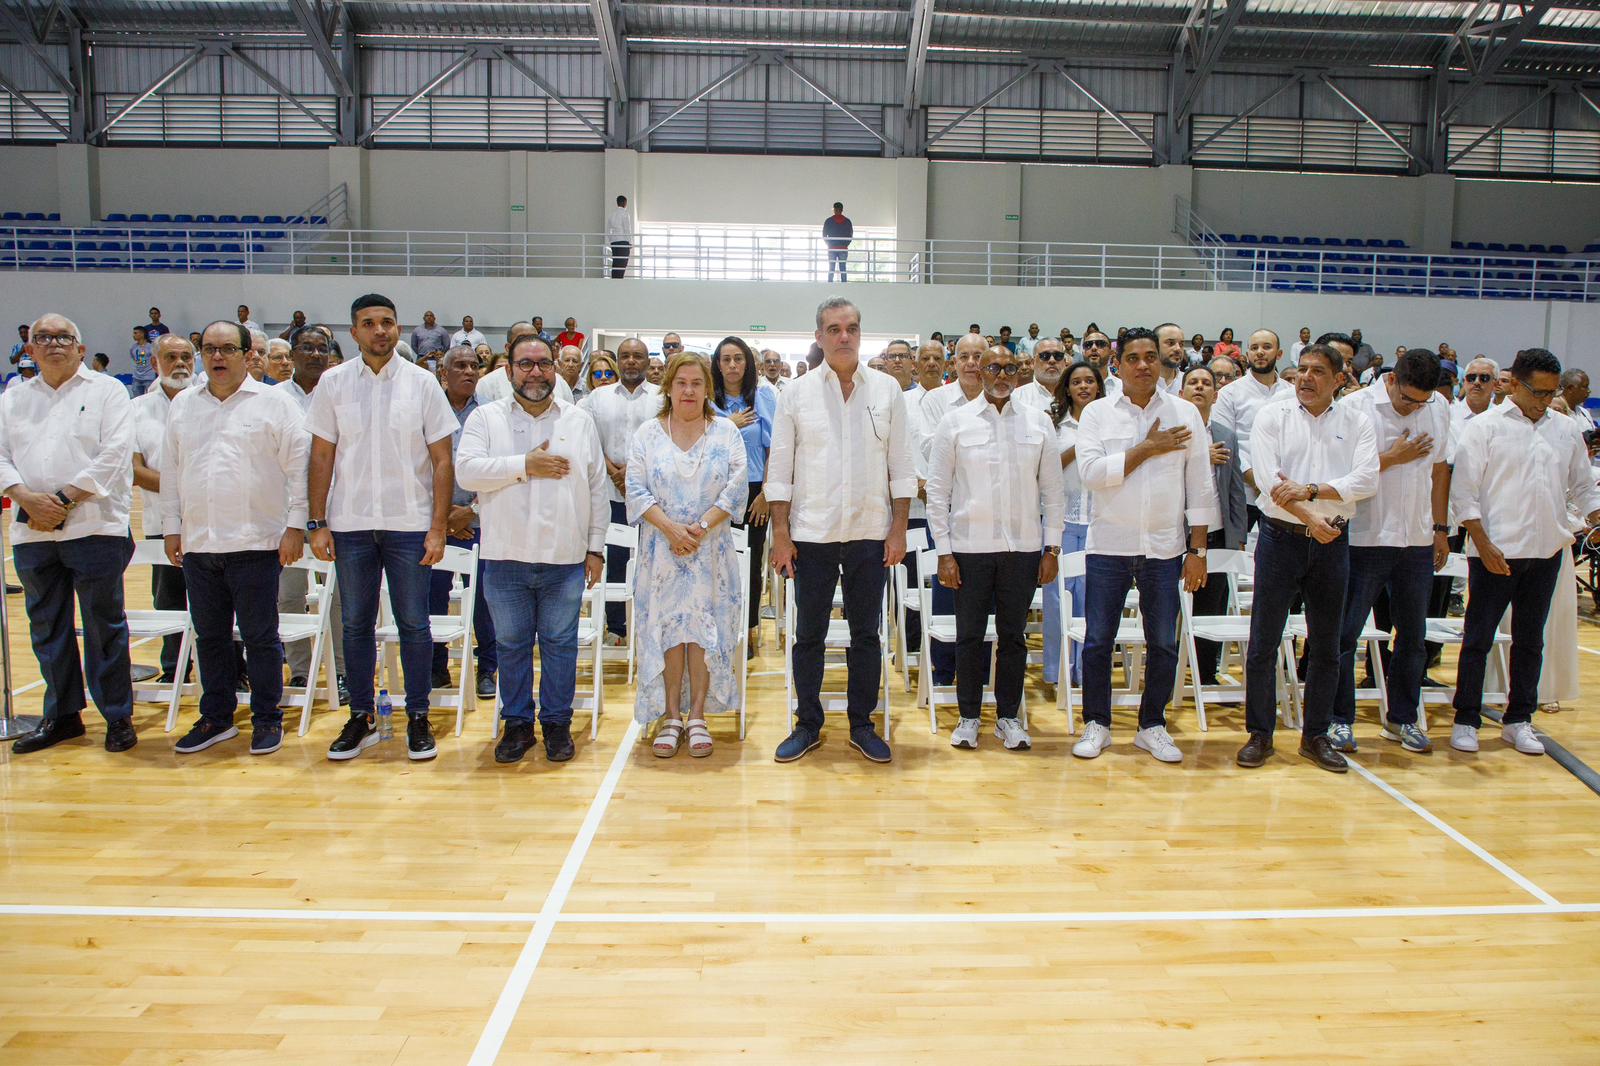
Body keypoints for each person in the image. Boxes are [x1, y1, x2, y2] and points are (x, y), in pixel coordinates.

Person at [307, 294, 458, 763]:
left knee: (414, 623)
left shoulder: (422, 383)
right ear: (354, 332)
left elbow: (442, 461)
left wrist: (437, 527)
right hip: (350, 524)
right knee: (355, 624)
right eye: (369, 323)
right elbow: (321, 456)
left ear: (397, 328)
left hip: (409, 524)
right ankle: (362, 715)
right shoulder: (333, 383)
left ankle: (418, 715)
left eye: (387, 322)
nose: (380, 330)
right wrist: (317, 522)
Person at [767, 297, 913, 764]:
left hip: (870, 532)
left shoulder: (887, 390)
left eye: (851, 327)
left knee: (866, 634)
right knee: (808, 635)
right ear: (819, 337)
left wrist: (898, 529)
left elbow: (901, 467)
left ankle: (862, 724)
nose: (844, 336)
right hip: (812, 533)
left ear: (860, 332)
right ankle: (807, 724)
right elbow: (780, 471)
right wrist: (782, 534)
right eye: (834, 329)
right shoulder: (796, 394)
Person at [457, 336, 607, 765]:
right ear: (508, 370)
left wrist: (595, 549)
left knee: (560, 644)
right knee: (511, 644)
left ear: (555, 368)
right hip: (505, 556)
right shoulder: (486, 419)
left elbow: (596, 488)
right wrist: (524, 465)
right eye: (525, 364)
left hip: (565, 557)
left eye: (543, 363)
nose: (535, 372)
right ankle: (517, 724)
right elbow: (467, 472)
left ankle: (557, 723)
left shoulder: (578, 421)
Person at [161, 321, 307, 757]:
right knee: (210, 637)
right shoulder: (184, 405)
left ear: (248, 355)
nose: (217, 357)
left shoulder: (274, 404)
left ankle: (266, 718)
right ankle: (217, 717)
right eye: (209, 349)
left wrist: (296, 526)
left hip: (256, 542)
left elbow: (298, 469)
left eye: (227, 349)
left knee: (261, 637)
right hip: (200, 543)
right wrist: (172, 527)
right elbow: (171, 471)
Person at [1073, 328, 1218, 764]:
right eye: (1133, 358)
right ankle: (1097, 724)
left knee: (1164, 644)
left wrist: (1198, 551)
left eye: (1150, 357)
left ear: (1161, 361)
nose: (1143, 365)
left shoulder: (1184, 413)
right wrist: (1148, 448)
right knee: (1099, 641)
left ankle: (1152, 725)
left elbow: (1201, 485)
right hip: (1109, 546)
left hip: (1165, 548)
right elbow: (1091, 474)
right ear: (1116, 365)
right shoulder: (1097, 413)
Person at [1450, 348, 1600, 756]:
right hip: (1495, 550)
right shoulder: (1485, 428)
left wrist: (1595, 516)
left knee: (1531, 641)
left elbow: (1582, 485)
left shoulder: (1564, 429)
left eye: (1552, 393)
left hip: (1546, 550)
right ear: (1514, 384)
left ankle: (1519, 719)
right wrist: (1482, 542)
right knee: (1478, 639)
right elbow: (1464, 493)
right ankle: (1466, 718)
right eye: (1538, 392)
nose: (1545, 401)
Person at [1236, 343, 1378, 773]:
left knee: (1327, 645)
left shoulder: (1357, 421)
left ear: (1340, 379)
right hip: (1281, 538)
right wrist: (1310, 515)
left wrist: (1311, 491)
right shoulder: (1272, 416)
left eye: (1318, 371)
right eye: (1302, 369)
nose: (1306, 378)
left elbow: (1367, 479)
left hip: (1333, 540)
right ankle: (1260, 734)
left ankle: (1316, 735)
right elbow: (1268, 480)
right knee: (1264, 641)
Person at [1, 313, 138, 756]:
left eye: (64, 337)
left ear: (80, 348)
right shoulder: (13, 398)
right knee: (47, 627)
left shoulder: (107, 391)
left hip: (94, 526)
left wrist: (59, 501)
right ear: (30, 350)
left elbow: (115, 455)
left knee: (104, 626)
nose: (54, 344)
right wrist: (26, 498)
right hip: (33, 531)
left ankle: (117, 715)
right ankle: (61, 716)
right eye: (44, 338)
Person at [926, 345, 1064, 751]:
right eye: (993, 368)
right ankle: (969, 717)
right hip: (969, 548)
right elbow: (938, 492)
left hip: (1023, 548)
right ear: (979, 371)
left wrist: (1052, 548)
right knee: (969, 636)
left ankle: (1008, 717)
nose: (1001, 375)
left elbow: (1053, 491)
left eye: (1009, 368)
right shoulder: (955, 422)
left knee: (1013, 637)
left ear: (1020, 372)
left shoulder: (1038, 422)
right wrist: (944, 552)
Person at [1331, 348, 1452, 756]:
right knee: (1346, 634)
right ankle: (1339, 718)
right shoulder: (1355, 408)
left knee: (1413, 637)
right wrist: (1392, 458)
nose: (1414, 407)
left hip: (1416, 538)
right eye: (1408, 399)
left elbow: (1440, 470)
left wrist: (1440, 529)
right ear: (1392, 379)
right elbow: (1341, 477)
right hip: (1364, 537)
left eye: (1422, 402)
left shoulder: (1438, 408)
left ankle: (1402, 718)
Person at [627, 353, 748, 757]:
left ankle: (697, 715)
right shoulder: (647, 433)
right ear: (668, 388)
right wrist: (671, 529)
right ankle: (670, 715)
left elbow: (737, 485)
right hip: (661, 551)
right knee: (667, 631)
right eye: (681, 383)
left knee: (701, 631)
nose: (689, 391)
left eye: (697, 383)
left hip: (709, 551)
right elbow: (635, 488)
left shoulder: (725, 432)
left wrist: (700, 527)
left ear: (708, 389)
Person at [275, 324, 347, 702]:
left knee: (337, 597)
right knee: (288, 595)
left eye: (322, 348)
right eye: (307, 347)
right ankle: (301, 669)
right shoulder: (273, 398)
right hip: (285, 515)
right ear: (292, 354)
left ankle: (341, 671)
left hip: (333, 511)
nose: (316, 354)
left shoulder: (341, 394)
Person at [579, 337, 659, 643]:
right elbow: (587, 440)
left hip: (650, 495)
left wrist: (633, 473)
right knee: (614, 559)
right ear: (618, 361)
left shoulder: (661, 397)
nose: (631, 361)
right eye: (625, 356)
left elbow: (665, 440)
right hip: (610, 493)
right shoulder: (597, 398)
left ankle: (649, 626)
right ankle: (616, 626)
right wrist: (614, 472)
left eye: (637, 356)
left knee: (651, 562)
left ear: (647, 361)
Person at [429, 347, 498, 700]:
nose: (469, 371)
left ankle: (487, 668)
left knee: (485, 600)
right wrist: (442, 518)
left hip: (478, 520)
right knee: (432, 597)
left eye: (474, 366)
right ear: (444, 374)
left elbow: (498, 471)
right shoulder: (428, 411)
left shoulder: (489, 415)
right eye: (460, 366)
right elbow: (418, 467)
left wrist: (469, 511)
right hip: (435, 523)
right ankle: (436, 667)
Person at [131, 333, 196, 683]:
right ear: (155, 363)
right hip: (161, 522)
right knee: (169, 599)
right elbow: (134, 470)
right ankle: (175, 669)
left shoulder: (209, 401)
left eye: (186, 356)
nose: (180, 363)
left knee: (222, 600)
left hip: (212, 521)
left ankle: (235, 670)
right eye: (171, 357)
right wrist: (186, 489)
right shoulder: (136, 410)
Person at [1180, 363, 1247, 686]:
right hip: (1178, 532)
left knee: (1212, 608)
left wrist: (1238, 535)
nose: (1199, 387)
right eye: (1193, 382)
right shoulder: (1173, 434)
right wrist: (1198, 456)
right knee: (1173, 607)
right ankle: (1171, 672)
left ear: (1216, 394)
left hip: (1218, 533)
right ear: (1181, 393)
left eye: (1206, 383)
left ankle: (1206, 674)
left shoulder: (1226, 435)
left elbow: (1236, 489)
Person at [1040, 356, 1101, 689]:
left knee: (1091, 601)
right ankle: (1058, 670)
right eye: (1077, 382)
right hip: (1061, 521)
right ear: (1067, 389)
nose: (1083, 386)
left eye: (1089, 381)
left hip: (1099, 521)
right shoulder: (1055, 425)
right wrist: (1080, 446)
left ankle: (1085, 672)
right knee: (1058, 599)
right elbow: (1047, 468)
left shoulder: (1110, 422)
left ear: (1099, 387)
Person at [711, 336, 776, 650]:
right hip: (714, 492)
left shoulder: (762, 398)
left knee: (749, 562)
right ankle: (717, 630)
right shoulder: (707, 401)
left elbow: (774, 449)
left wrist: (766, 493)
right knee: (717, 562)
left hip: (753, 492)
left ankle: (747, 628)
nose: (733, 365)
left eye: (738, 359)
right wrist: (729, 424)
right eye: (726, 359)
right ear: (717, 364)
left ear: (748, 364)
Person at [1212, 328, 1294, 524]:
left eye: (1267, 347)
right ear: (1247, 353)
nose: (1260, 352)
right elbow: (1226, 445)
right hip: (1244, 491)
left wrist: (1276, 484)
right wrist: (1258, 481)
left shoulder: (1293, 393)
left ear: (1279, 353)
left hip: (1285, 492)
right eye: (1254, 348)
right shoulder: (1229, 394)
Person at [476, 323, 574, 405]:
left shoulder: (559, 382)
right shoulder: (487, 384)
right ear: (508, 348)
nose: (530, 344)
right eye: (522, 340)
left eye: (534, 339)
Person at [1013, 336, 1063, 412]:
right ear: (1033, 363)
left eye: (1058, 356)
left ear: (1064, 362)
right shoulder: (1016, 397)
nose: (1052, 360)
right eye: (1045, 356)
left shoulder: (1076, 395)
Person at [1456, 357, 1498, 424]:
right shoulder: (1448, 415)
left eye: (1484, 378)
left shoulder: (1502, 418)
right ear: (1464, 382)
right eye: (1471, 377)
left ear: (1495, 384)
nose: (1476, 382)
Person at [822, 201, 853, 283]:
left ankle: (830, 283)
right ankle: (844, 283)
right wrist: (845, 245)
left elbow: (824, 235)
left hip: (832, 248)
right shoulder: (847, 221)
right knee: (843, 268)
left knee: (831, 268)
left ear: (834, 209)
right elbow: (850, 235)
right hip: (842, 248)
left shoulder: (828, 221)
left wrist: (829, 244)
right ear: (842, 210)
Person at [1153, 322, 1188, 394]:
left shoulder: (1188, 382)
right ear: (1154, 346)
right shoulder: (1141, 382)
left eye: (1181, 344)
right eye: (1171, 343)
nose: (1178, 348)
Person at [606, 194, 635, 279]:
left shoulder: (612, 214)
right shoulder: (625, 213)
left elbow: (608, 230)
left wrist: (611, 240)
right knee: (622, 263)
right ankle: (619, 280)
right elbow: (627, 229)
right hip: (623, 241)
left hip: (614, 242)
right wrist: (630, 242)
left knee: (615, 262)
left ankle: (614, 280)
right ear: (624, 203)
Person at [128, 326, 155, 396]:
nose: (133, 335)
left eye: (135, 333)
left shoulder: (150, 347)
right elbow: (134, 358)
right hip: (137, 377)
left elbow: (155, 360)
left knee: (151, 397)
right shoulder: (133, 347)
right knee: (137, 398)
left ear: (142, 334)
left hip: (148, 377)